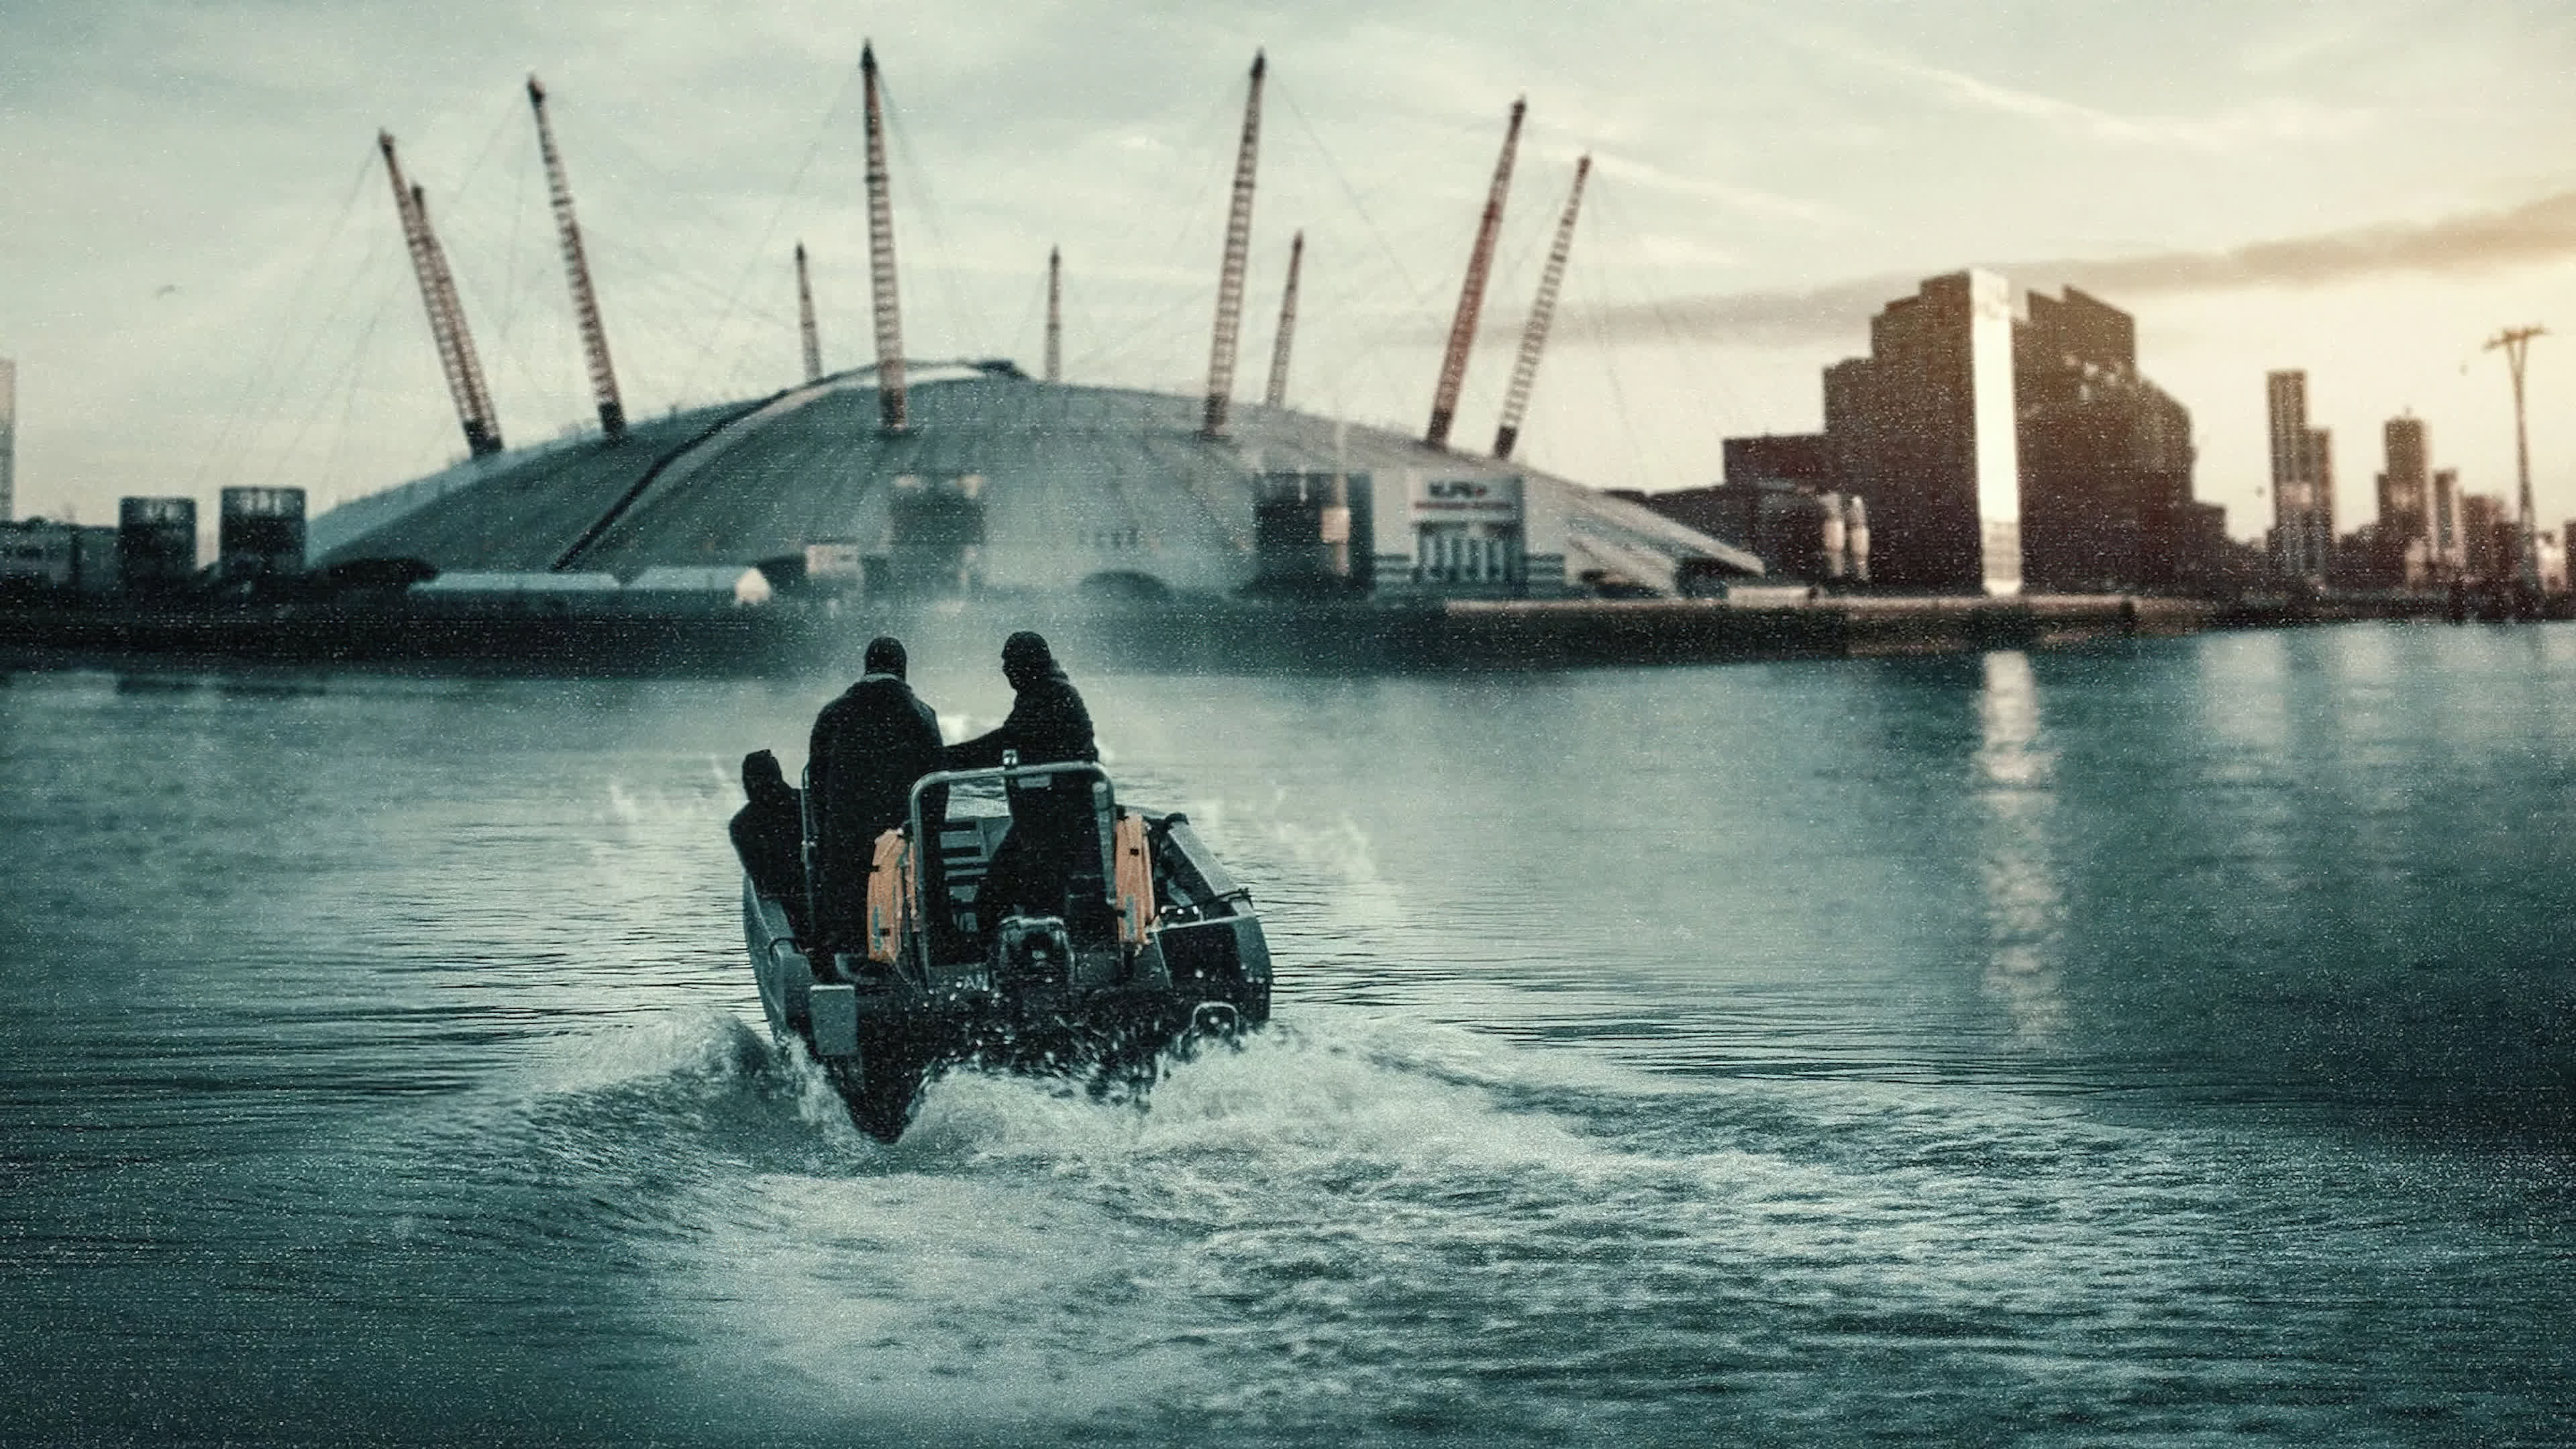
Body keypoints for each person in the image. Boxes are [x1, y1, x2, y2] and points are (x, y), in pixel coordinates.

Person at [945, 631, 1100, 926]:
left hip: (1056, 821)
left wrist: (941, 758)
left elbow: (1005, 742)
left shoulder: (1052, 696)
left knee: (999, 899)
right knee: (1010, 897)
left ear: (1029, 664)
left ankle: (1024, 949)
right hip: (1045, 820)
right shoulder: (1043, 693)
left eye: (1010, 663)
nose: (1005, 670)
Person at [807, 636, 945, 950]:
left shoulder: (833, 714)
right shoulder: (920, 714)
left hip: (847, 837)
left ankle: (848, 949)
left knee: (848, 902)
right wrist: (929, 831)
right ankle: (932, 943)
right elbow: (936, 782)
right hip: (901, 835)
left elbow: (817, 784)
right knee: (921, 884)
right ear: (903, 669)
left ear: (867, 666)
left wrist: (826, 832)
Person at [728, 748, 807, 934]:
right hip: (813, 894)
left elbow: (764, 880)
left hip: (794, 900)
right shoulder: (807, 804)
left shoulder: (742, 824)